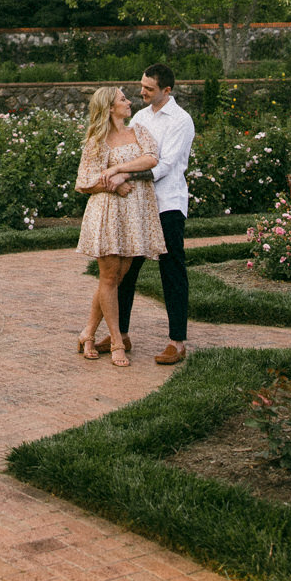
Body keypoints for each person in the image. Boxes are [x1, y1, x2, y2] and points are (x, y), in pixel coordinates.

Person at [108, 63, 196, 366]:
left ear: (166, 91)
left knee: (172, 271)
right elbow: (131, 154)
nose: (141, 92)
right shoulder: (141, 117)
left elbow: (166, 164)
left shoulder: (181, 121)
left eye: (149, 88)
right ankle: (120, 334)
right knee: (125, 269)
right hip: (139, 203)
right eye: (142, 85)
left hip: (168, 203)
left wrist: (127, 177)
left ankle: (177, 341)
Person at [74, 87, 165, 367]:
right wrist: (114, 186)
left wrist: (117, 171)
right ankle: (116, 342)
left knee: (116, 278)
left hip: (134, 214)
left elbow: (151, 158)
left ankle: (87, 333)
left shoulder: (138, 131)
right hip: (109, 214)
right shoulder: (97, 141)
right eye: (123, 100)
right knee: (110, 278)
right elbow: (84, 181)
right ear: (110, 108)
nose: (129, 102)